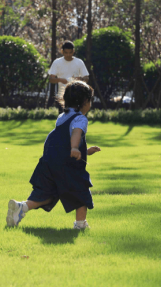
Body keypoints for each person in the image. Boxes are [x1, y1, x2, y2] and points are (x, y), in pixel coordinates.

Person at [6, 81, 101, 230]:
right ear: (84, 102)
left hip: (50, 161)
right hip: (66, 164)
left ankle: (21, 207)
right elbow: (76, 133)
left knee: (48, 193)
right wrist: (75, 147)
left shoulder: (63, 116)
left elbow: (63, 140)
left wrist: (84, 151)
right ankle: (80, 225)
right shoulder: (80, 119)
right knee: (81, 191)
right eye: (90, 100)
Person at [48, 41, 89, 109]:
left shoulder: (79, 62)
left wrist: (79, 80)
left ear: (73, 51)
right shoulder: (57, 62)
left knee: (76, 115)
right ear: (62, 51)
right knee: (63, 115)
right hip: (62, 97)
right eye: (66, 53)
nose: (68, 55)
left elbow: (86, 78)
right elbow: (51, 79)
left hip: (77, 96)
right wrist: (61, 80)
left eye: (70, 52)